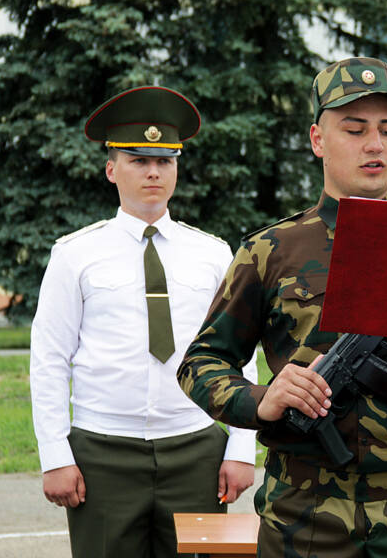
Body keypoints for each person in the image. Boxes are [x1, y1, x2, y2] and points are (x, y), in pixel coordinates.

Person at [177, 58, 387, 558]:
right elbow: (201, 363)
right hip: (304, 519)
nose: (375, 144)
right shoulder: (272, 249)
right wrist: (260, 399)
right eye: (354, 129)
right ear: (317, 140)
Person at [30, 86, 258, 558]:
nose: (153, 172)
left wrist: (240, 450)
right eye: (138, 160)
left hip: (197, 451)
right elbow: (49, 360)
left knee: (210, 556)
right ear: (111, 169)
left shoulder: (214, 253)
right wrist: (55, 456)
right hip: (102, 456)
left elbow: (240, 353)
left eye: (165, 161)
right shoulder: (74, 254)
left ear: (177, 168)